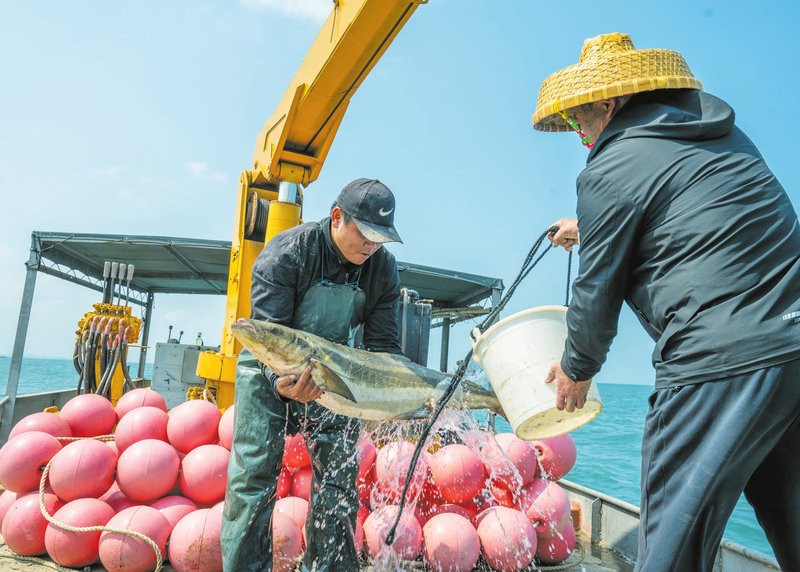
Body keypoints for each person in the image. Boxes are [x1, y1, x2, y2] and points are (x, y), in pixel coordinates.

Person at [532, 33, 800, 571]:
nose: (580, 135)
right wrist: (590, 229)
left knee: (672, 545)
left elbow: (597, 286)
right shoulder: (719, 134)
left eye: (579, 121)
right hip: (792, 344)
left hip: (717, 362)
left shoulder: (608, 168)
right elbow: (693, 223)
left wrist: (577, 368)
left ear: (607, 103)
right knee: (790, 516)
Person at [222, 178, 404, 571]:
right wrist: (282, 385)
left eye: (381, 237)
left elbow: (384, 348)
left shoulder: (382, 269)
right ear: (337, 217)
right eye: (366, 234)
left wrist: (395, 397)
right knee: (253, 480)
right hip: (269, 372)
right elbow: (269, 335)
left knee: (339, 480)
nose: (372, 246)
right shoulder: (288, 252)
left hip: (332, 375)